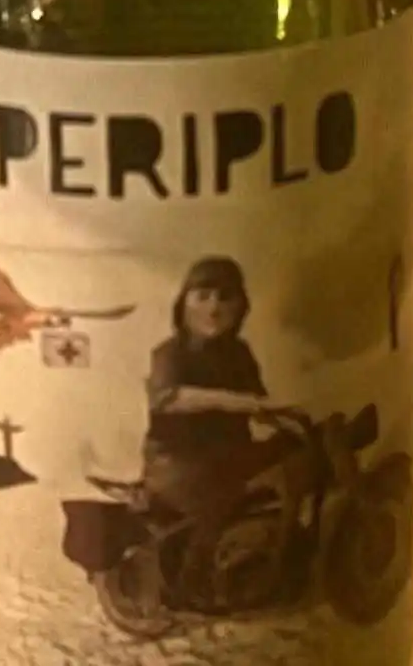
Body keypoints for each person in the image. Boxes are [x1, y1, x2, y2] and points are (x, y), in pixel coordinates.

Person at [141, 257, 311, 601]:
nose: (214, 308)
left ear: (240, 306)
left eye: (225, 297)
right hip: (178, 464)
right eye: (202, 296)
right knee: (222, 492)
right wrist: (238, 402)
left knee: (297, 451)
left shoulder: (239, 354)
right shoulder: (170, 353)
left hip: (231, 455)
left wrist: (289, 416)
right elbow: (169, 399)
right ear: (184, 303)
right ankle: (191, 581)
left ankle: (281, 551)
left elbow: (259, 404)